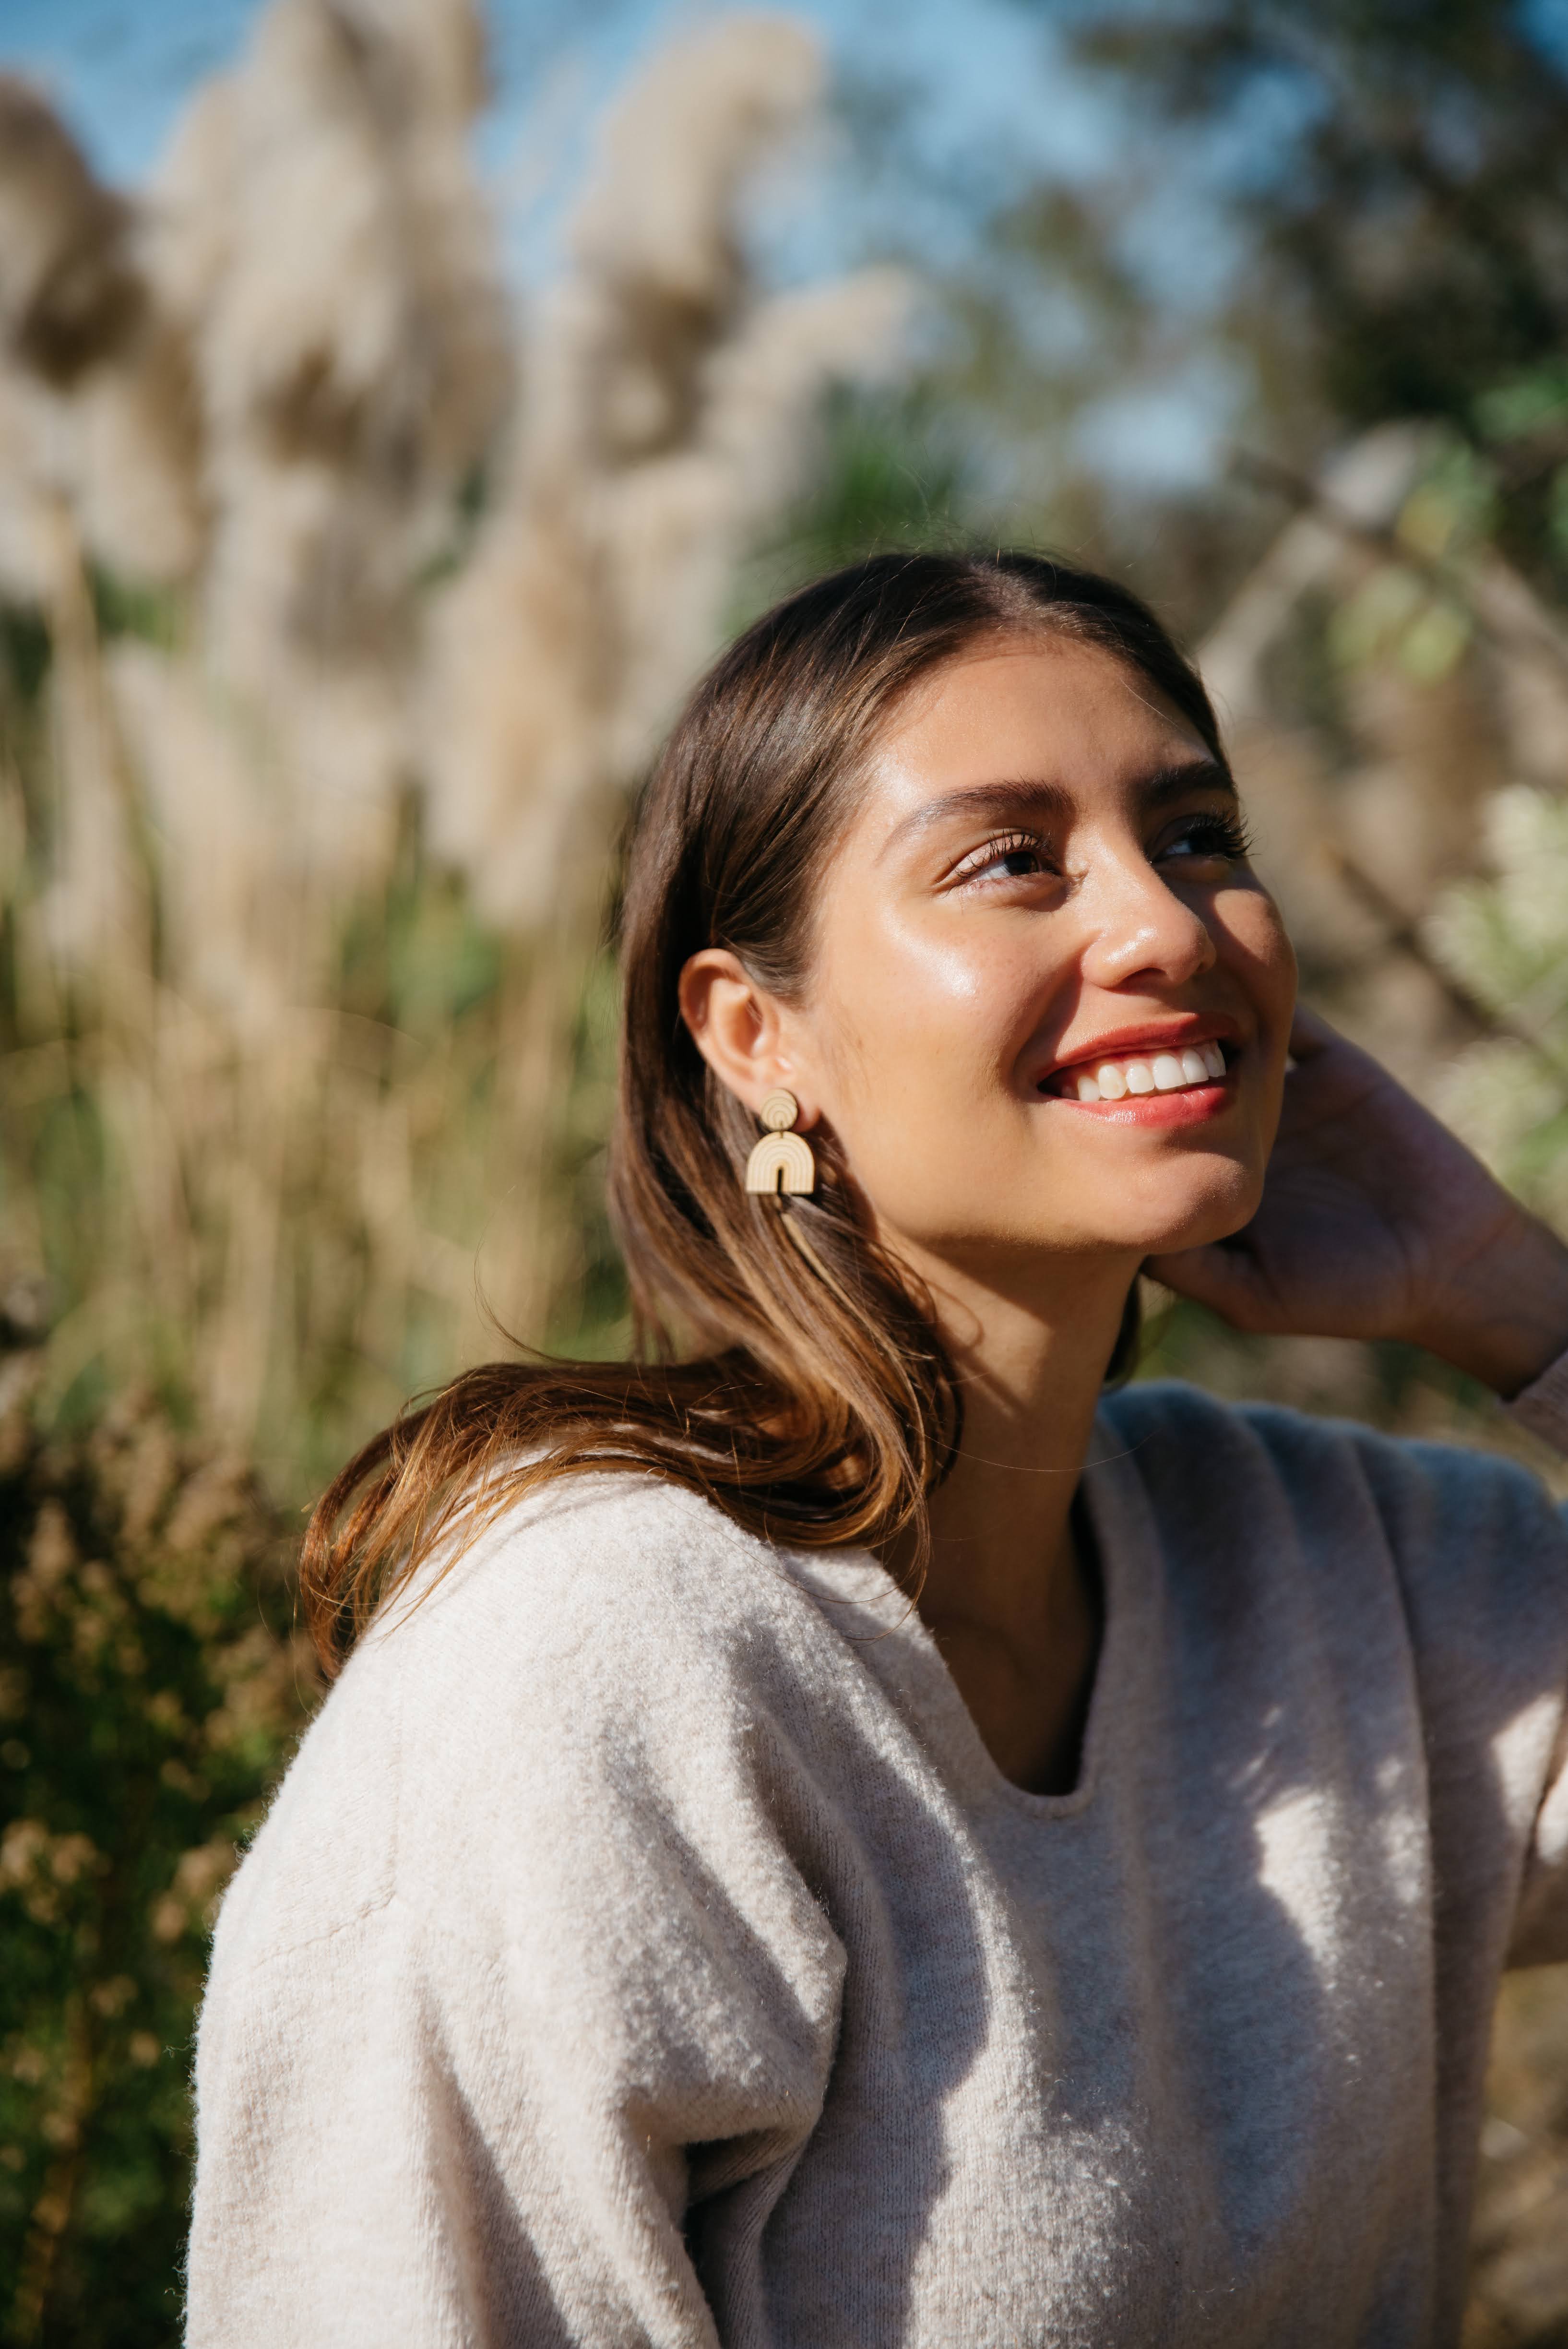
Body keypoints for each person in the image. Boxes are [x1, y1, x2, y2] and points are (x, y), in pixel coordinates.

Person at [186, 553, 1568, 2348]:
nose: (1165, 925)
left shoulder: (1347, 1569)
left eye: (1198, 833)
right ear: (756, 1038)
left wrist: (1514, 1301)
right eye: (1011, 860)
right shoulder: (603, 1668)